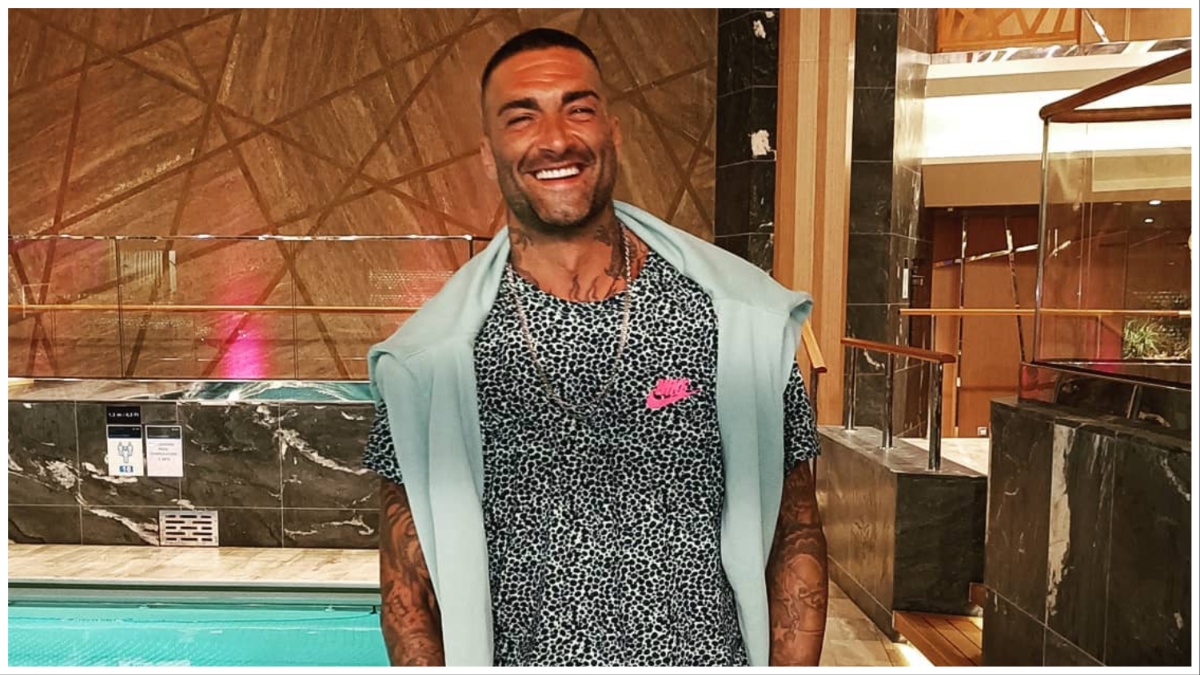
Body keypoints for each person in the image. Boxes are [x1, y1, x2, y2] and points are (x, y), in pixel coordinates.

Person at [362, 27, 827, 668]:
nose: (556, 139)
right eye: (522, 117)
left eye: (577, 109)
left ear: (613, 131)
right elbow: (408, 590)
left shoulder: (735, 322)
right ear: (487, 154)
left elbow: (795, 536)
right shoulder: (433, 363)